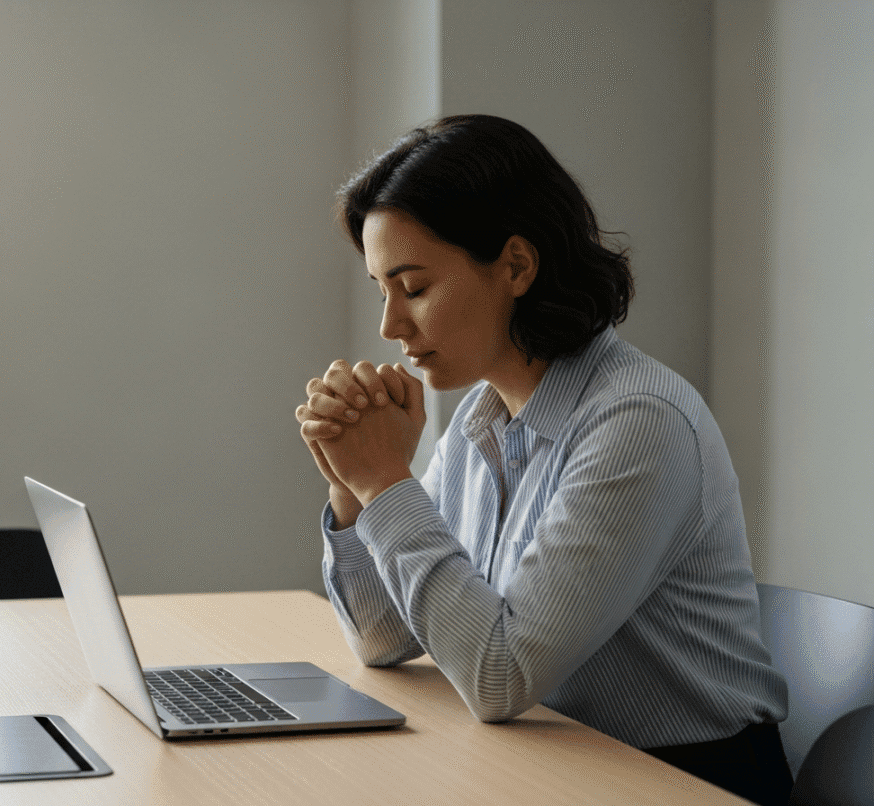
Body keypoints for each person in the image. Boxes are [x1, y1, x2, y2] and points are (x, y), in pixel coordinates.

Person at [295, 115, 792, 805]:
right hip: (550, 763)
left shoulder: (637, 421)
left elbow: (499, 676)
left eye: (412, 288)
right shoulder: (482, 419)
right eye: (382, 290)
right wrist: (354, 492)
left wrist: (386, 482)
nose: (389, 325)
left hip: (682, 782)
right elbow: (386, 639)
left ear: (516, 266)